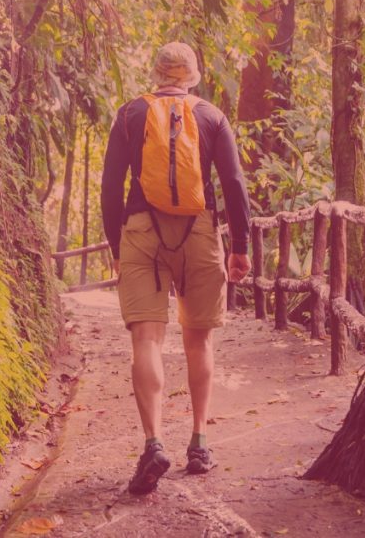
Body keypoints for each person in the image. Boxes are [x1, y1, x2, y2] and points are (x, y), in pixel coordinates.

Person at [101, 41, 252, 495]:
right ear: (192, 75)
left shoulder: (129, 115)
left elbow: (111, 186)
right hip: (200, 231)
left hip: (141, 230)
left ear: (156, 73)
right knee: (198, 337)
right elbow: (233, 183)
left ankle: (153, 443)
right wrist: (239, 246)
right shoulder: (211, 117)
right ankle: (200, 443)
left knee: (146, 338)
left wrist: (116, 243)